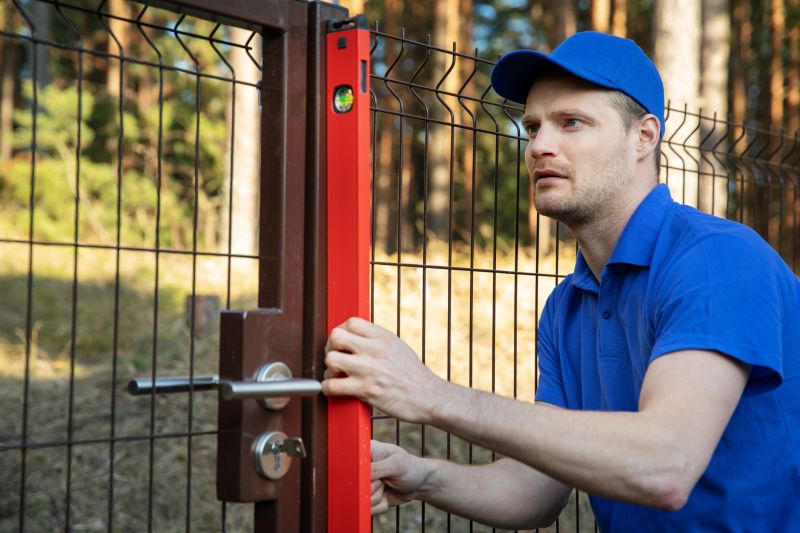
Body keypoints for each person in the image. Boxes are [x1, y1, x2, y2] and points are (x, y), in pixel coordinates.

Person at [321, 31, 800, 531]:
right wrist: (423, 476)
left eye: (572, 123)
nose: (539, 146)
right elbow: (537, 489)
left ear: (644, 136)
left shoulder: (717, 259)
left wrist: (432, 395)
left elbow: (666, 465)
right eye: (532, 127)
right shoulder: (566, 305)